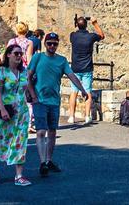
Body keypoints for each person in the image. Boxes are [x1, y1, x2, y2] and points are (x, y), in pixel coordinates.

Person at [26, 32, 85, 180]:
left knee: (52, 132)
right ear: (45, 44)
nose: (52, 46)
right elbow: (28, 77)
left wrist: (83, 90)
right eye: (49, 43)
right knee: (40, 132)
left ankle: (48, 160)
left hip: (54, 101)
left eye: (55, 43)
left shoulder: (62, 60)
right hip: (39, 100)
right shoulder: (37, 57)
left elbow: (72, 76)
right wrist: (33, 95)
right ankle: (42, 163)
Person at [0, 43, 32, 186]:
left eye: (20, 54)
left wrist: (33, 98)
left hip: (21, 112)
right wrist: (2, 109)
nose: (19, 56)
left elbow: (25, 90)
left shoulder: (24, 71)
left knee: (20, 142)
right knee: (0, 139)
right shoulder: (1, 71)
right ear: (8, 54)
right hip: (6, 110)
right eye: (16, 53)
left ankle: (19, 176)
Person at [67, 16, 104, 125]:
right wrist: (95, 23)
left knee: (74, 92)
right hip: (87, 67)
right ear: (86, 25)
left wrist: (76, 22)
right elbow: (102, 35)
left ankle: (71, 116)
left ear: (77, 25)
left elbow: (74, 30)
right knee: (88, 91)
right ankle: (87, 116)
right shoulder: (90, 37)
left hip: (75, 68)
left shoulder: (73, 36)